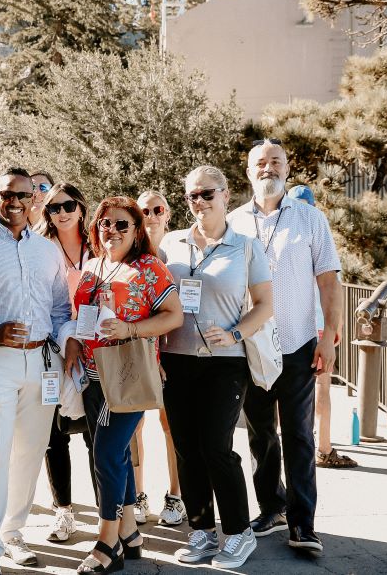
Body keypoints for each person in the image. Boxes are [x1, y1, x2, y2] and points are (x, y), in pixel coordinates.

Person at [227, 140, 342, 554]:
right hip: (251, 347)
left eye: (276, 162)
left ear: (288, 170)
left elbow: (329, 281)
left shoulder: (311, 220)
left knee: (298, 436)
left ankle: (303, 523)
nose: (267, 168)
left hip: (297, 342)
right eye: (260, 163)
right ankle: (271, 507)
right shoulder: (233, 222)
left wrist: (329, 335)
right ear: (248, 173)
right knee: (260, 435)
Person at [0, 168, 70, 575]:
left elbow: (60, 309)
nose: (15, 202)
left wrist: (63, 345)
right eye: (7, 195)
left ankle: (14, 533)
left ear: (34, 199)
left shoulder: (48, 251)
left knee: (29, 452)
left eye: (23, 195)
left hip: (42, 362)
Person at [159, 166, 274, 568]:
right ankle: (203, 532)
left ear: (227, 195)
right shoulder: (171, 244)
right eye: (192, 195)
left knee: (216, 448)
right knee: (187, 450)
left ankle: (240, 533)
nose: (200, 202)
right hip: (175, 360)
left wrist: (238, 334)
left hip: (225, 363)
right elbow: (154, 299)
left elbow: (264, 304)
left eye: (208, 194)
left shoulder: (245, 246)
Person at [64, 196, 182, 574]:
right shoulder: (93, 268)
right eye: (105, 224)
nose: (111, 231)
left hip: (129, 378)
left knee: (105, 455)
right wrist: (73, 343)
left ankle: (107, 542)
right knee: (117, 457)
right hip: (93, 378)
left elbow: (173, 316)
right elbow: (83, 317)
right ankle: (130, 533)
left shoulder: (149, 268)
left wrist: (131, 328)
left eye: (121, 225)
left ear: (137, 231)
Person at [35, 183, 95, 543]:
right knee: (53, 434)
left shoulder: (99, 244)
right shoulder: (42, 249)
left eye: (68, 205)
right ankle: (64, 512)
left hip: (95, 346)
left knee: (96, 433)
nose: (62, 212)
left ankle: (110, 512)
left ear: (81, 207)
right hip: (51, 347)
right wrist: (66, 338)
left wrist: (80, 338)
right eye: (54, 207)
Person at [288, 185, 357, 470]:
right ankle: (324, 447)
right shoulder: (318, 233)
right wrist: (334, 328)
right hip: (317, 325)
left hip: (296, 325)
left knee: (285, 392)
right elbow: (332, 286)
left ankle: (291, 443)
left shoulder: (289, 238)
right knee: (322, 388)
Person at [131, 190, 185, 527]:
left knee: (171, 427)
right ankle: (138, 494)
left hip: (172, 352)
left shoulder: (180, 255)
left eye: (157, 209)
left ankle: (176, 496)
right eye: (143, 210)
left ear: (167, 214)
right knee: (134, 426)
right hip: (139, 353)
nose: (151, 215)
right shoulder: (129, 255)